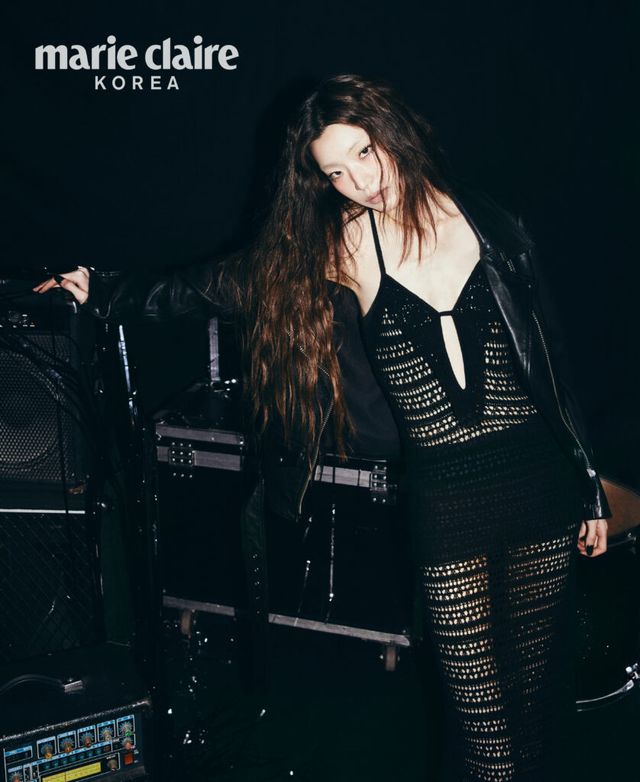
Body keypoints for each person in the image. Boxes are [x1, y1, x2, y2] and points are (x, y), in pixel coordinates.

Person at [35, 73, 611, 781]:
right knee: (483, 733)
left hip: (536, 481)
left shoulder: (489, 220)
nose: (359, 182)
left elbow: (550, 358)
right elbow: (218, 284)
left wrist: (589, 483)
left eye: (364, 153)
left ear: (395, 132)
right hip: (448, 502)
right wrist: (106, 291)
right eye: (336, 172)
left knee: (536, 710)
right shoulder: (346, 244)